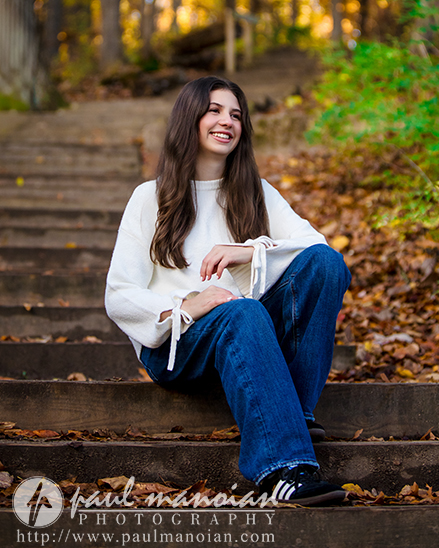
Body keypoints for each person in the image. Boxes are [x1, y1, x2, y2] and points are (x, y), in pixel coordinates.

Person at [105, 76, 351, 506]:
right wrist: (185, 305)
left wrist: (249, 252)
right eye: (215, 111)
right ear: (191, 119)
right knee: (243, 311)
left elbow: (316, 248)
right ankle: (285, 469)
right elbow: (119, 293)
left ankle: (293, 409)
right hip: (177, 346)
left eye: (236, 114)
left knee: (325, 264)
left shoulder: (255, 192)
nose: (227, 121)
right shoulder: (151, 197)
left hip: (244, 331)